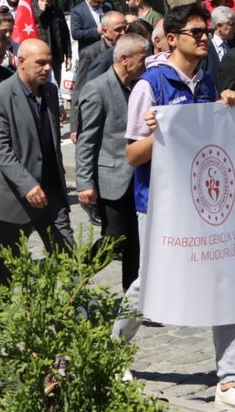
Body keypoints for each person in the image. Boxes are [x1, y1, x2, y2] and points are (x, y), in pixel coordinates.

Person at [115, 3, 235, 412]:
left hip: (205, 200)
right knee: (149, 283)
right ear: (171, 39)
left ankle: (229, 380)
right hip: (161, 203)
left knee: (228, 277)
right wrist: (167, 130)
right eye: (196, 32)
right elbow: (133, 154)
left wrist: (225, 108)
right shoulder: (150, 85)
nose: (204, 38)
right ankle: (111, 349)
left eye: (206, 32)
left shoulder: (207, 81)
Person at [0, 39, 74, 284]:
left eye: (49, 62)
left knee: (68, 257)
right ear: (20, 62)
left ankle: (78, 306)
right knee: (3, 268)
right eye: (40, 63)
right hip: (14, 197)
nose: (47, 68)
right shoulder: (0, 96)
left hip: (51, 193)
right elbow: (0, 149)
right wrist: (27, 185)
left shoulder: (50, 91)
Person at [76, 33, 149, 291]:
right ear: (125, 59)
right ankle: (79, 275)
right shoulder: (98, 89)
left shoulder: (139, 85)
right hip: (111, 179)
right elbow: (87, 140)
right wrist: (84, 183)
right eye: (142, 58)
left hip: (137, 177)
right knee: (115, 238)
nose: (146, 63)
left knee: (135, 241)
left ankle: (133, 296)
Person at [69, 11, 128, 142]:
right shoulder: (90, 53)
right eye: (118, 30)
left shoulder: (128, 50)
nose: (123, 33)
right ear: (105, 31)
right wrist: (75, 127)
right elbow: (80, 89)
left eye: (125, 28)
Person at [35, 0, 72, 85]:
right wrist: (40, 11)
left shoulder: (58, 11)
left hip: (56, 57)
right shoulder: (34, 9)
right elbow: (33, 25)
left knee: (55, 87)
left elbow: (65, 34)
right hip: (40, 57)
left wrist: (68, 55)